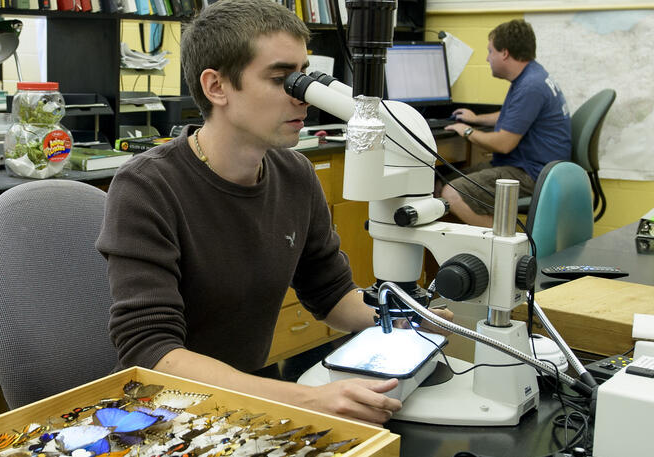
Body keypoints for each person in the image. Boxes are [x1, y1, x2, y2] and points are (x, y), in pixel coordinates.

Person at [97, 0, 451, 424]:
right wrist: (306, 399)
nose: (303, 97)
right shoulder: (147, 187)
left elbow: (332, 295)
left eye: (306, 77)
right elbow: (151, 352)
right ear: (217, 87)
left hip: (248, 402)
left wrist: (409, 318)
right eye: (283, 79)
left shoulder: (295, 174)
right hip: (160, 412)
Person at [440, 19, 572, 228]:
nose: (487, 58)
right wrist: (476, 119)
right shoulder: (533, 75)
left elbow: (503, 144)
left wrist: (467, 131)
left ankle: (510, 243)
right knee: (441, 182)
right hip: (532, 166)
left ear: (505, 53)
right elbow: (514, 116)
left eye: (490, 51)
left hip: (532, 174)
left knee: (451, 194)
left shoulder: (530, 86)